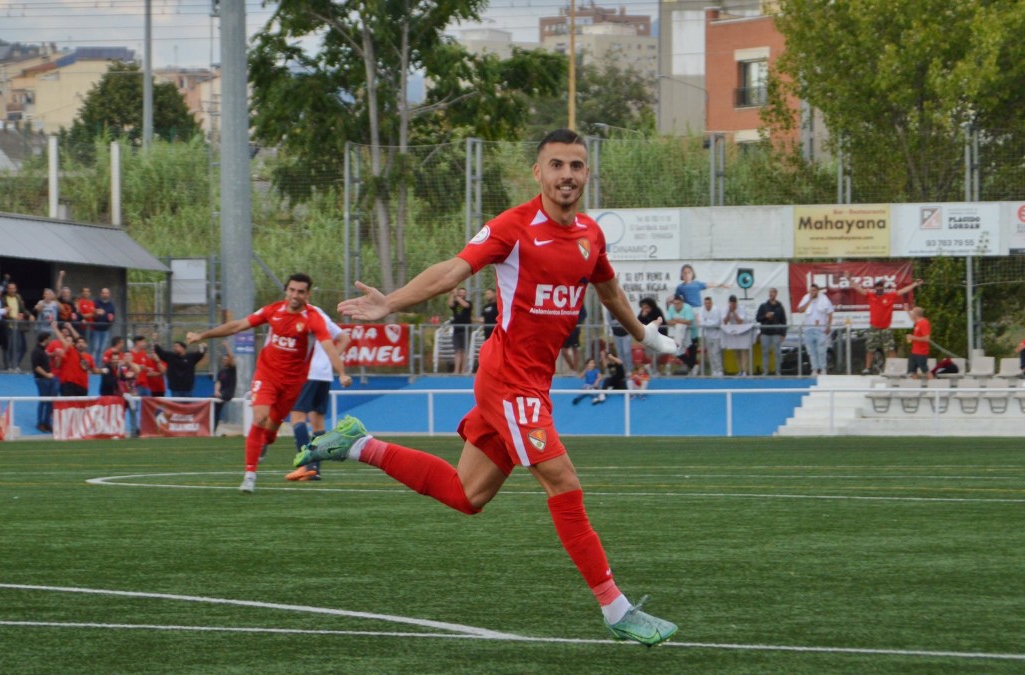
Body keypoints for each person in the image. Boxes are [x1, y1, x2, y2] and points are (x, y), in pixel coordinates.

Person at [293, 129, 678, 646]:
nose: (567, 175)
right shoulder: (513, 227)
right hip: (508, 379)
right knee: (563, 482)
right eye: (557, 165)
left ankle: (358, 443)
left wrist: (644, 334)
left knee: (468, 494)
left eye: (577, 166)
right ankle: (617, 610)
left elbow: (606, 286)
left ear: (587, 174)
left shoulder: (590, 234)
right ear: (538, 173)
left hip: (532, 383)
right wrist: (392, 303)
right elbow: (453, 271)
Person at [187, 273, 352, 494]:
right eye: (292, 290)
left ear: (307, 294)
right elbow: (237, 326)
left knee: (272, 430)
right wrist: (202, 335)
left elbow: (331, 345)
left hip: (293, 383)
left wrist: (341, 372)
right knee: (259, 417)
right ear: (286, 290)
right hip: (266, 376)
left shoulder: (313, 318)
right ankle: (250, 475)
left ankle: (269, 444)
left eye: (300, 291)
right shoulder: (272, 310)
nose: (295, 295)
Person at [285, 304, 351, 482]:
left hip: (308, 373)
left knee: (297, 418)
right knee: (318, 423)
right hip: (324, 374)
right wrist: (330, 360)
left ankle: (307, 466)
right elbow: (344, 338)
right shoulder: (320, 313)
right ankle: (315, 470)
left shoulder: (302, 314)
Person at [849, 278, 923, 374]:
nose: (879, 290)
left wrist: (914, 284)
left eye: (881, 289)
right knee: (870, 348)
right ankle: (867, 368)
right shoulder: (871, 295)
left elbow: (902, 291)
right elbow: (859, 289)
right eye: (878, 289)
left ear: (883, 288)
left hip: (886, 328)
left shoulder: (890, 296)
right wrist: (849, 279)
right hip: (874, 327)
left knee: (890, 349)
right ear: (875, 289)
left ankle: (893, 369)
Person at [797, 284, 835, 376]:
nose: (813, 292)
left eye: (814, 290)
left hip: (820, 329)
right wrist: (809, 300)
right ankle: (814, 369)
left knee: (821, 350)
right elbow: (800, 310)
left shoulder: (824, 298)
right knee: (811, 351)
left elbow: (830, 313)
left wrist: (828, 326)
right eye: (811, 290)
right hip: (808, 329)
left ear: (818, 291)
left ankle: (823, 369)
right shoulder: (806, 297)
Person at [754, 287, 788, 376]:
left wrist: (783, 334)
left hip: (776, 333)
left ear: (776, 294)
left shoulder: (780, 307)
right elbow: (758, 318)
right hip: (765, 333)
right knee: (765, 352)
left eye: (773, 292)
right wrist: (765, 316)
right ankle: (765, 371)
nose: (771, 294)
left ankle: (778, 371)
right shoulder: (763, 306)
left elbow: (784, 321)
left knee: (777, 353)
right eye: (770, 292)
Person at [664, 294, 697, 375]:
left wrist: (676, 320)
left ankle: (693, 369)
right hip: (679, 335)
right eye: (675, 304)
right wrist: (681, 320)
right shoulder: (671, 308)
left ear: (682, 303)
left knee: (692, 353)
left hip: (692, 334)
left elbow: (689, 321)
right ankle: (694, 366)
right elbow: (668, 321)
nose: (676, 306)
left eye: (678, 304)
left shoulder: (687, 308)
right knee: (678, 352)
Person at [1, 282, 30, 371]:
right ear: (7, 289)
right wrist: (13, 318)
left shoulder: (18, 297)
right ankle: (8, 366)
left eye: (13, 288)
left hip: (18, 326)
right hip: (8, 326)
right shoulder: (4, 298)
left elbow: (22, 309)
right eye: (10, 288)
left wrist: (29, 315)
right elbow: (3, 312)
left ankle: (16, 364)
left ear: (16, 289)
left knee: (20, 346)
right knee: (9, 347)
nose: (12, 290)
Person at [721, 295, 752, 376]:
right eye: (731, 304)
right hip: (735, 332)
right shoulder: (726, 309)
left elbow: (739, 321)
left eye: (734, 304)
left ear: (736, 303)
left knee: (743, 351)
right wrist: (729, 312)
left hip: (743, 331)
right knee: (737, 352)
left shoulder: (741, 309)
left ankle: (744, 370)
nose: (732, 305)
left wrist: (734, 312)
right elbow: (725, 321)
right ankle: (740, 370)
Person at [31, 332, 54, 433]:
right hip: (41, 379)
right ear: (45, 339)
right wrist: (47, 375)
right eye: (49, 339)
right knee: (44, 401)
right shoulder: (37, 351)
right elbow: (37, 367)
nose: (50, 341)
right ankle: (41, 422)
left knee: (48, 401)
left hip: (45, 379)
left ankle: (46, 422)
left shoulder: (42, 351)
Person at [637, 297, 666, 374]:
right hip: (648, 337)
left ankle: (651, 367)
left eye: (646, 307)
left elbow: (661, 323)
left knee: (659, 352)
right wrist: (642, 316)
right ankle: (653, 369)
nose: (644, 309)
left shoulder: (657, 311)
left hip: (659, 336)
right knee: (652, 354)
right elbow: (638, 322)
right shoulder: (642, 312)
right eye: (643, 307)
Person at [697, 296, 724, 376]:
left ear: (711, 303)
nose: (707, 305)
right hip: (707, 335)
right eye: (706, 303)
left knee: (716, 353)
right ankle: (713, 371)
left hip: (716, 335)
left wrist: (706, 322)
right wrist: (708, 323)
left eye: (708, 303)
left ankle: (719, 370)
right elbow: (701, 322)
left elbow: (717, 323)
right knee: (710, 354)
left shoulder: (716, 310)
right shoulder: (702, 309)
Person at [449, 287, 472, 374]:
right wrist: (452, 294)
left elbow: (465, 305)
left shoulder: (469, 303)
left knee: (464, 350)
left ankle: (463, 370)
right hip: (456, 330)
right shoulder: (455, 303)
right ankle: (456, 370)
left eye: (463, 293)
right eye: (460, 292)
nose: (462, 294)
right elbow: (450, 304)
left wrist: (457, 296)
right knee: (457, 350)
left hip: (465, 330)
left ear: (465, 294)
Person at [904, 306, 931, 379]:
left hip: (921, 352)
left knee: (925, 370)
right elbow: (912, 319)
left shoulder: (924, 323)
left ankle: (935, 386)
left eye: (913, 312)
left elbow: (927, 338)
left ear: (916, 314)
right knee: (912, 371)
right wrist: (907, 311)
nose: (912, 314)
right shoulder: (918, 322)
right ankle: (915, 388)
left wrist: (913, 337)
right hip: (914, 351)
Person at [91, 288, 116, 362]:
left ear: (109, 294)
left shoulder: (111, 305)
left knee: (102, 350)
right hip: (96, 330)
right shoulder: (96, 303)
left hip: (106, 330)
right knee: (95, 349)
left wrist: (111, 319)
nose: (105, 294)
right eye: (103, 293)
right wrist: (96, 312)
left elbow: (113, 316)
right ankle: (93, 368)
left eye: (106, 293)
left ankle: (99, 368)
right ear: (101, 294)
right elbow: (91, 315)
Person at [213, 351, 237, 426]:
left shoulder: (232, 369)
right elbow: (218, 382)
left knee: (221, 396)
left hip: (228, 393)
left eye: (226, 359)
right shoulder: (221, 371)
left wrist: (226, 346)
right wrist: (216, 391)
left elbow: (232, 357)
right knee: (213, 406)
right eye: (223, 359)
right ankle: (213, 429)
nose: (224, 361)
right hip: (221, 393)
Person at [561, 304, 587, 374]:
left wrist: (577, 322)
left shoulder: (578, 301)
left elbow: (584, 314)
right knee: (564, 351)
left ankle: (574, 370)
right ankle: (572, 368)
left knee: (575, 348)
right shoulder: (563, 300)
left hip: (575, 329)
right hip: (565, 328)